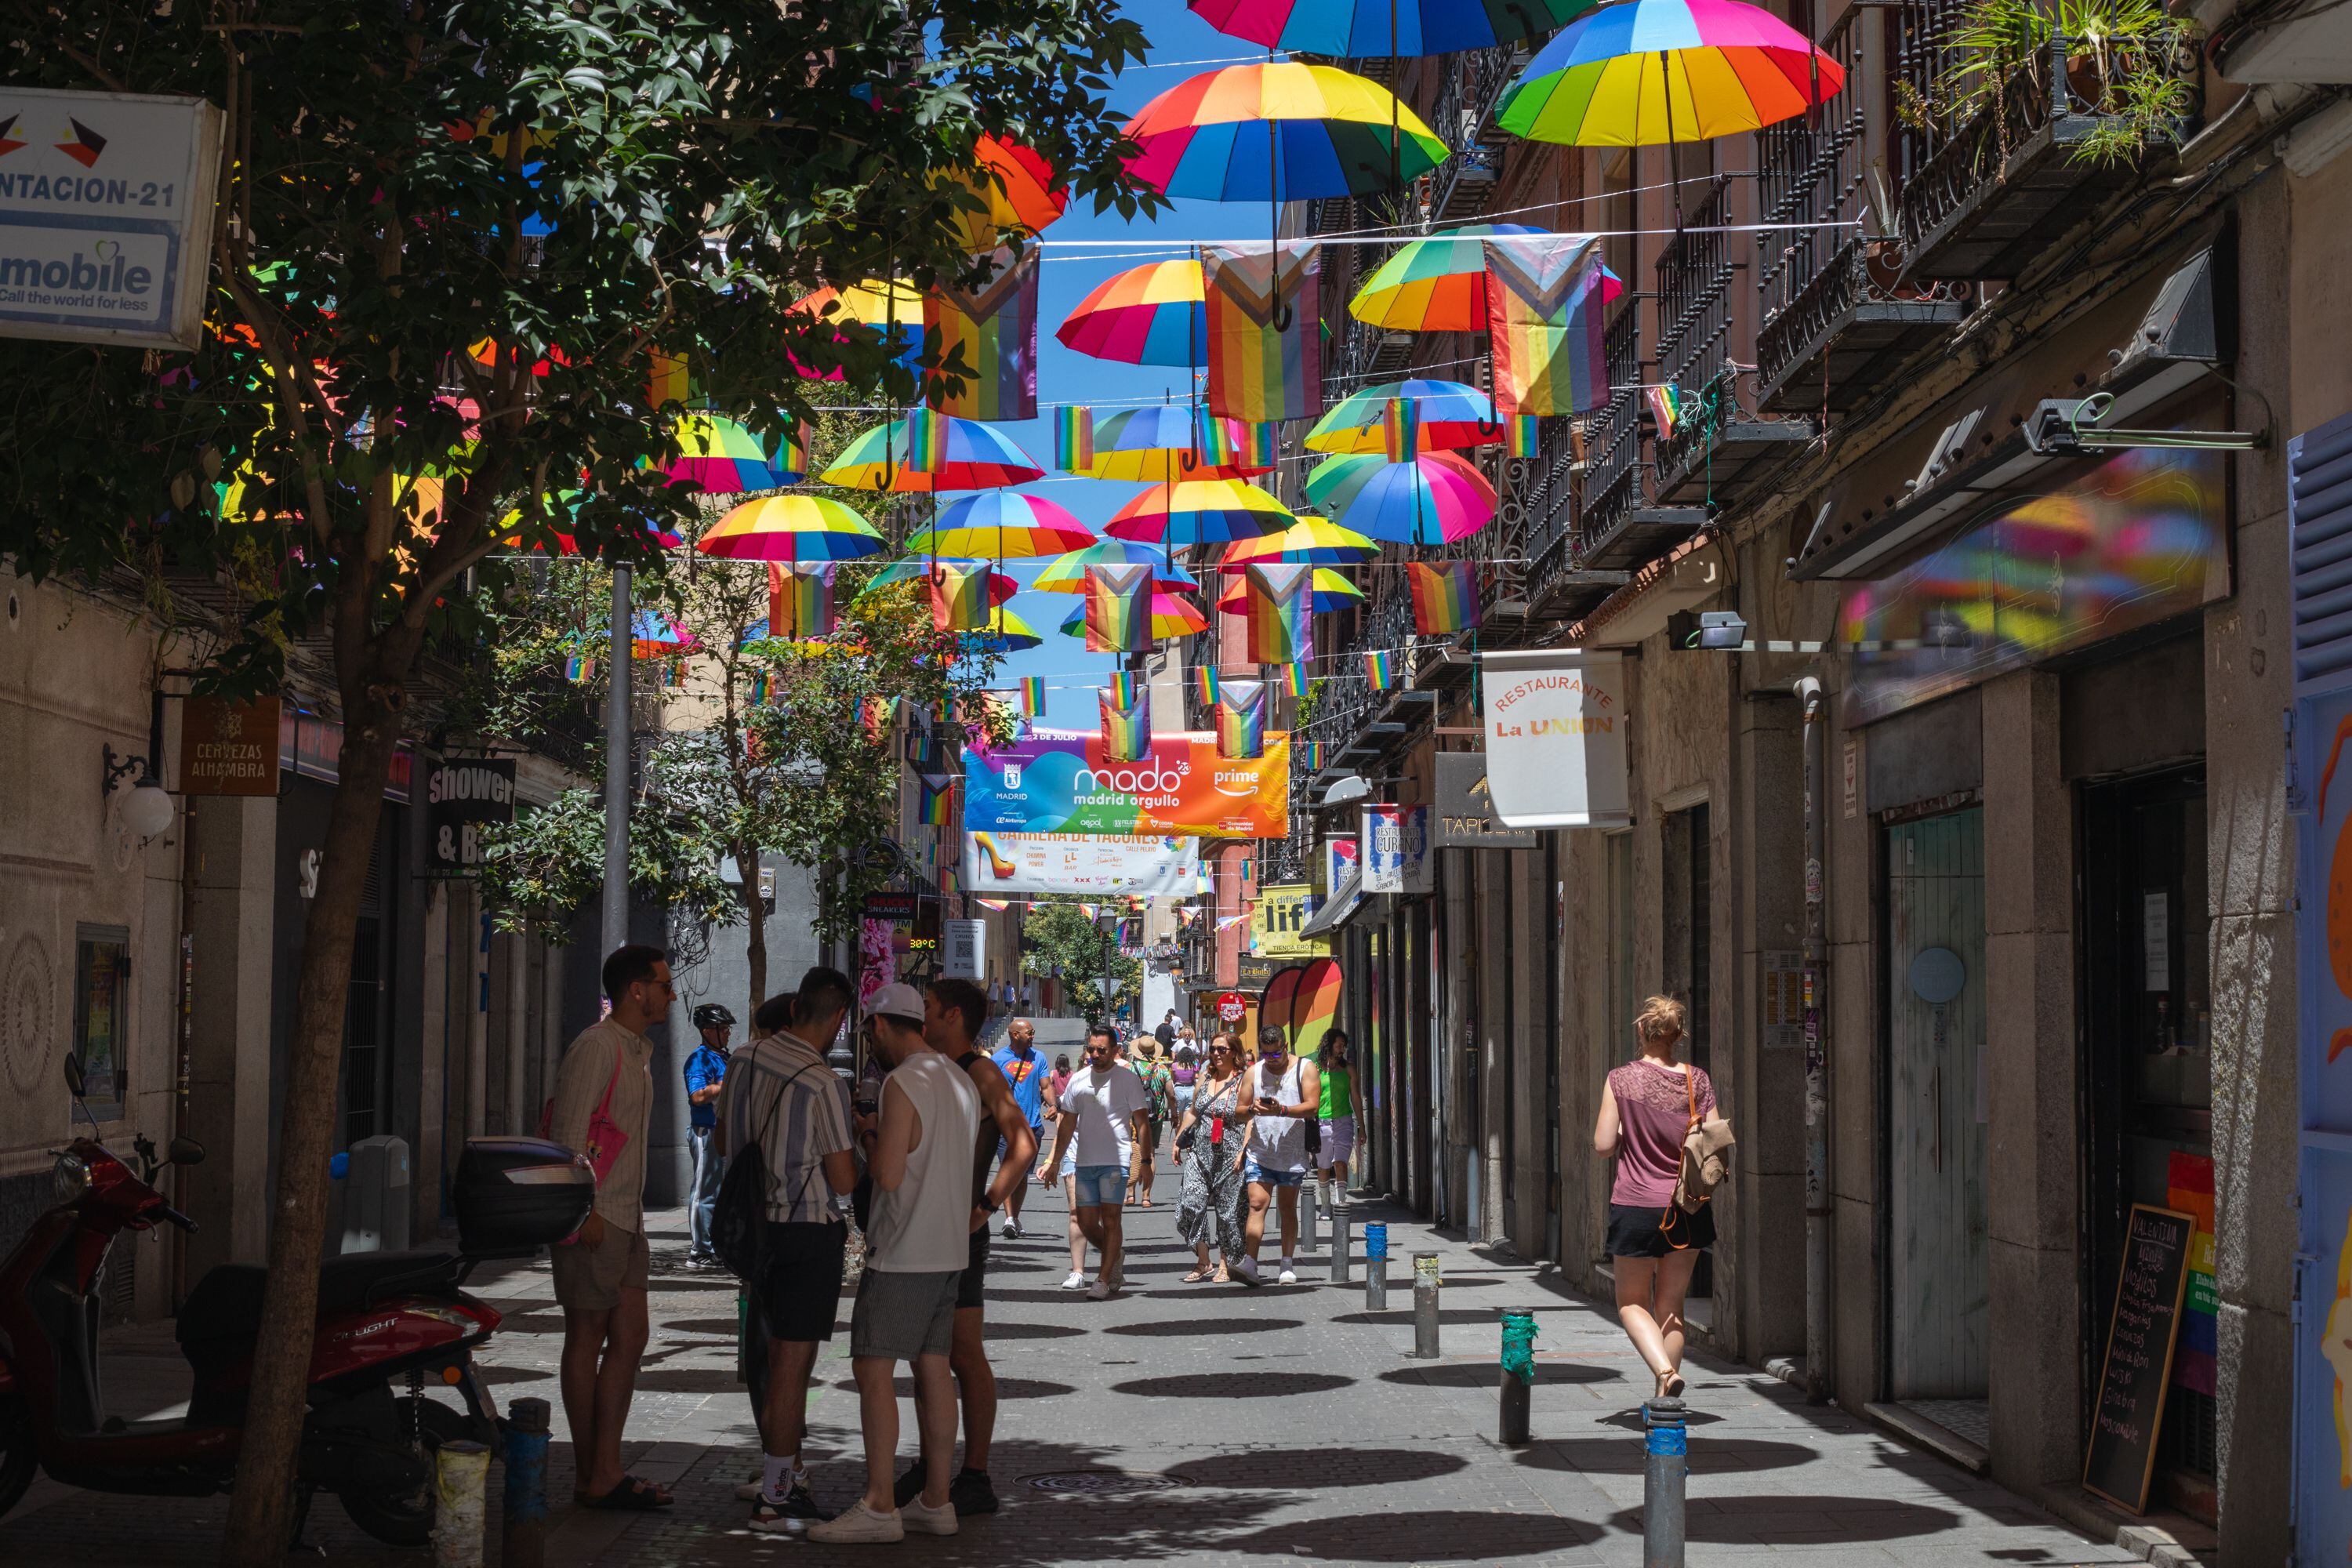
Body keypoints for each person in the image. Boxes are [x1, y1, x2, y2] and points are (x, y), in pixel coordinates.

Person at [808, 984, 979, 1544]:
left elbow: (887, 1174)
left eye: (866, 1033)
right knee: (934, 1369)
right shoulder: (959, 1077)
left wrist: (866, 1133)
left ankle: (881, 1503)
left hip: (905, 1249)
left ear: (880, 1027)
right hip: (950, 1248)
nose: (866, 1043)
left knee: (873, 1367)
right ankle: (937, 1499)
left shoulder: (903, 1082)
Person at [885, 978, 1036, 1519]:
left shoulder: (980, 1071)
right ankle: (931, 1468)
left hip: (960, 1230)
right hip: (921, 1227)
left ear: (951, 1016)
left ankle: (973, 1474)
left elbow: (1024, 1143)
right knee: (925, 1353)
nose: (921, 1016)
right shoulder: (928, 1070)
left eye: (927, 1008)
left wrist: (987, 1206)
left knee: (961, 1353)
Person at [718, 970, 858, 1534]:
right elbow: (844, 1179)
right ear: (837, 1020)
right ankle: (777, 1495)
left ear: (796, 1004)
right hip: (805, 1233)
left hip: (755, 1233)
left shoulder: (745, 1058)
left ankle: (782, 1479)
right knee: (791, 1369)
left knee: (773, 1360)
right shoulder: (823, 1082)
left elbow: (726, 1139)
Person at [549, 944, 674, 1510]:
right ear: (637, 990)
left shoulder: (637, 1049)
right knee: (588, 1335)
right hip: (596, 1218)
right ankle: (590, 1472)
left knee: (630, 1336)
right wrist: (586, 1211)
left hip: (629, 1217)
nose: (672, 995)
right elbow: (568, 1137)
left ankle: (607, 1466)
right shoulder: (597, 1047)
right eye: (665, 985)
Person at [1594, 995, 1720, 1401]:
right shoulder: (1696, 1080)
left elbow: (1602, 1145)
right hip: (1688, 1206)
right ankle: (1666, 1406)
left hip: (1637, 1205)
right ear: (1678, 1035)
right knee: (1672, 1306)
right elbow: (1716, 1140)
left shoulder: (1620, 1080)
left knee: (1632, 1303)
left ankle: (1665, 1374)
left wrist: (1632, 1130)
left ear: (1641, 1032)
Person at [1042, 1024, 1148, 1300]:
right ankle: (1115, 1257)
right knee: (1087, 1223)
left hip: (1116, 1161)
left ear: (1115, 1051)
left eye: (1102, 1050)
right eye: (1091, 1049)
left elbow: (1142, 1122)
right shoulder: (1078, 1079)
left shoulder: (1127, 1079)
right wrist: (1055, 1160)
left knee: (1111, 1219)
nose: (1095, 1054)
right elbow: (1067, 1124)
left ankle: (1102, 1279)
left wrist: (1146, 1159)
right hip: (1084, 1161)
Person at [1232, 1024, 1320, 1288]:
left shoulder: (1306, 1069)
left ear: (1285, 1047)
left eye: (1275, 1054)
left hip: (1292, 1154)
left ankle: (1286, 1263)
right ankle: (1250, 1262)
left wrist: (1281, 1110)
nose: (1270, 1060)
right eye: (1265, 1054)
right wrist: (1252, 1110)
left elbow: (1312, 1107)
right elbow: (1238, 1113)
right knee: (1257, 1204)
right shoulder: (1253, 1072)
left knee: (1286, 1208)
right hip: (1261, 1152)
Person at [1173, 1032, 1250, 1283]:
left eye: (1222, 1050)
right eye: (1213, 1049)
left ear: (1234, 1053)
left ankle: (1225, 1264)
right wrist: (1178, 1140)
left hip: (1231, 1154)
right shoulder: (1205, 1079)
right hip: (1201, 1152)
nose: (1216, 1054)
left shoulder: (1243, 1082)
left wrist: (1243, 1150)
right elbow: (1193, 1111)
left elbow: (1251, 1118)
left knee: (1228, 1213)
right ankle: (1204, 1260)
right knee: (1191, 1202)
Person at [683, 1002, 736, 1268]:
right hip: (706, 1132)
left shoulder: (724, 1057)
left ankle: (714, 1246)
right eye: (723, 1028)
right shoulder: (698, 1059)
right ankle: (699, 1251)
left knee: (718, 1191)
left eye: (727, 1029)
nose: (728, 1033)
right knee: (704, 1191)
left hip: (723, 1131)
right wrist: (724, 1086)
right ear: (707, 1031)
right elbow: (697, 1095)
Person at [990, 1018, 1048, 1240]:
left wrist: (1053, 1105)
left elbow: (1046, 1086)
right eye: (1029, 1033)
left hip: (1032, 1125)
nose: (1033, 1036)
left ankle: (1014, 1217)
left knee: (1022, 1175)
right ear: (1015, 1035)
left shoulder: (1039, 1057)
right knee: (1009, 1170)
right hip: (1006, 1126)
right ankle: (1008, 1219)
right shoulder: (997, 1060)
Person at [1313, 1026, 1365, 1209]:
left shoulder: (1348, 1069)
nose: (1342, 1049)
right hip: (1322, 1122)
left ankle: (1340, 1203)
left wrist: (1362, 1127)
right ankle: (1326, 1204)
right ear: (1329, 1045)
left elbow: (1356, 1098)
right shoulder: (1316, 1069)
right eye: (1339, 1045)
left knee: (1341, 1163)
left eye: (1344, 1046)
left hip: (1344, 1121)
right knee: (1324, 1166)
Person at [1127, 1037, 1174, 1207]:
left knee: (1132, 1152)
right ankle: (1146, 1197)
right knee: (1150, 1154)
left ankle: (1130, 1195)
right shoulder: (1161, 1069)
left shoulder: (1129, 1068)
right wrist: (1174, 1114)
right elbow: (1171, 1094)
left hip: (1131, 1115)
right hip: (1154, 1117)